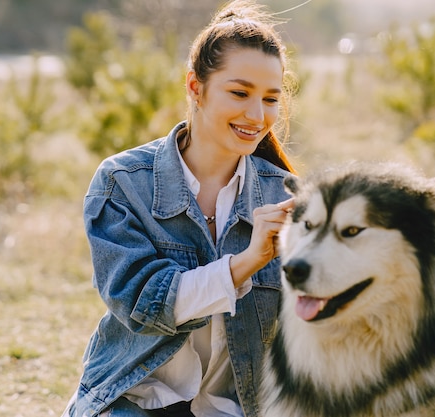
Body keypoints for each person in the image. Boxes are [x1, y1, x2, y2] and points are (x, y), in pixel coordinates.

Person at [61, 1, 297, 416]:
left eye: (271, 98)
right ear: (195, 87)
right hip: (134, 400)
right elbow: (146, 304)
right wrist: (248, 261)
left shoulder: (286, 194)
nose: (257, 115)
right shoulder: (122, 183)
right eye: (239, 93)